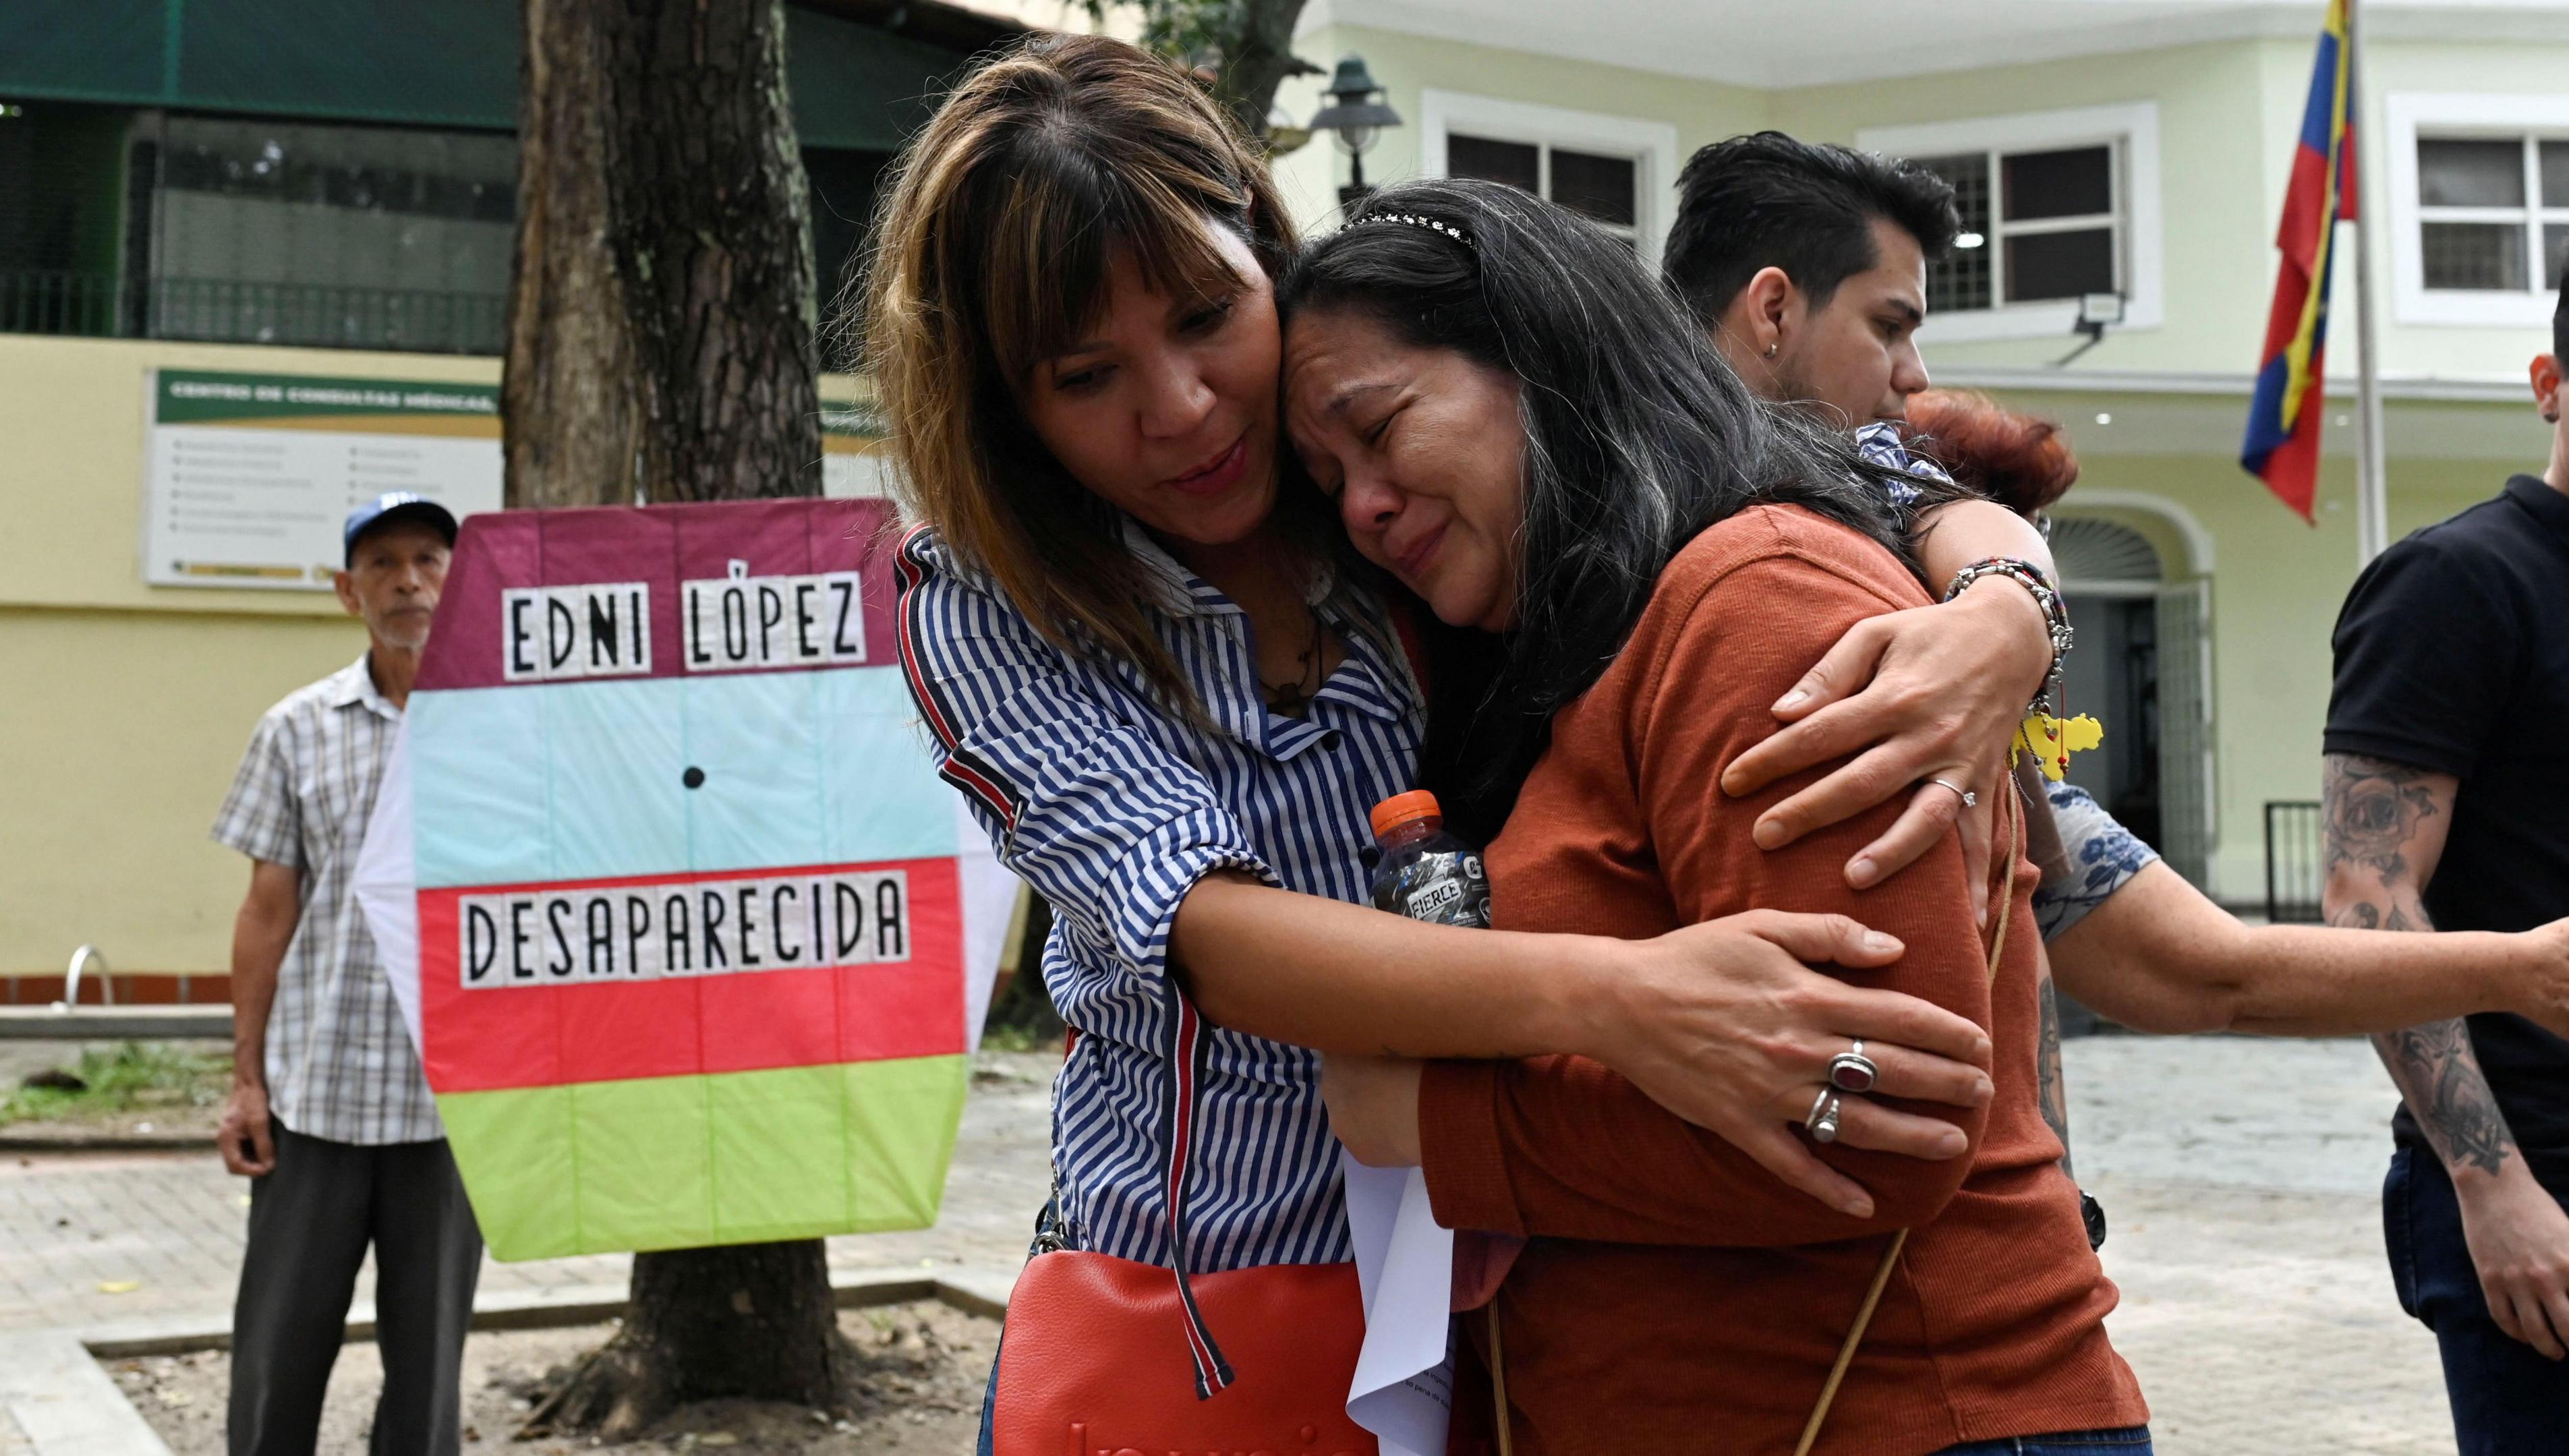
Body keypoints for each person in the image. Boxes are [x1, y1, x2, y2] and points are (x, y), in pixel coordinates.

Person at [861, 38, 2059, 1445]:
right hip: (1199, 1308)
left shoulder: (1380, 485)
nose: (1180, 407)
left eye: (1202, 316)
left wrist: (2007, 608)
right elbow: (1216, 934)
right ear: (1007, 411)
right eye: (1084, 375)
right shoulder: (992, 596)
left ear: (1266, 250)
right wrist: (1624, 999)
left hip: (1506, 1291)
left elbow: (1845, 461)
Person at [1289, 177, 2149, 1456]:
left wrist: (1430, 1121)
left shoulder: (1753, 601)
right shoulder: (1569, 636)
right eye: (1327, 476)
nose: (1361, 505)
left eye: (1383, 428)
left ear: (1547, 360)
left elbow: (1883, 1117)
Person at [1665, 138, 2569, 1171]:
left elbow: (2205, 971)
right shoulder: (1590, 502)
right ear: (1774, 308)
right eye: (1891, 326)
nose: (1914, 379)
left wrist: (2006, 609)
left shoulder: (1911, 579)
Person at [2321, 271, 2569, 1451]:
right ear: (2550, 386)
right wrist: (2491, 1183)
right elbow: (2370, 898)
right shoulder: (2460, 583)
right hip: (2542, 1181)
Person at [210, 492, 480, 1456]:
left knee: (428, 1379)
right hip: (314, 1104)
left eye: (429, 560)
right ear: (346, 591)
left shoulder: (499, 729)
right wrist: (246, 1082)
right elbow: (265, 913)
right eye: (382, 563)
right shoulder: (296, 729)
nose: (408, 580)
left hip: (452, 1111)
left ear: (459, 582)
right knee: (278, 1361)